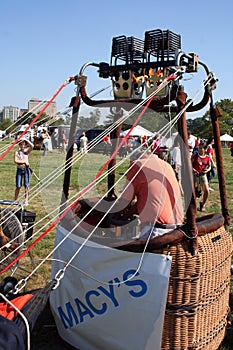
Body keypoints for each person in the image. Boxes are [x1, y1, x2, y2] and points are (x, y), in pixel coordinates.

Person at [112, 150, 184, 239]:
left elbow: (125, 201)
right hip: (177, 228)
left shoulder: (137, 165)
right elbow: (152, 201)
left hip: (155, 231)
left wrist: (114, 216)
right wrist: (129, 213)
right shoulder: (167, 165)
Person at [192, 142, 211, 212]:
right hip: (195, 175)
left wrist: (206, 171)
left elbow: (209, 166)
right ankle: (192, 206)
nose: (200, 149)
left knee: (207, 191)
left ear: (205, 149)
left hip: (203, 175)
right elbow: (190, 165)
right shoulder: (195, 156)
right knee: (194, 192)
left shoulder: (207, 157)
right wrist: (194, 170)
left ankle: (202, 204)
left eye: (201, 148)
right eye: (199, 148)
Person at [14, 138, 34, 206]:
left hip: (26, 170)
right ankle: (15, 200)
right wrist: (24, 162)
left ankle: (26, 200)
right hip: (19, 170)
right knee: (18, 186)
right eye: (21, 144)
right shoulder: (17, 152)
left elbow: (32, 146)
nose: (22, 146)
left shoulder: (26, 152)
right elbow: (16, 161)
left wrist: (26, 139)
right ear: (19, 145)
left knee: (26, 185)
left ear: (25, 145)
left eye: (24, 144)